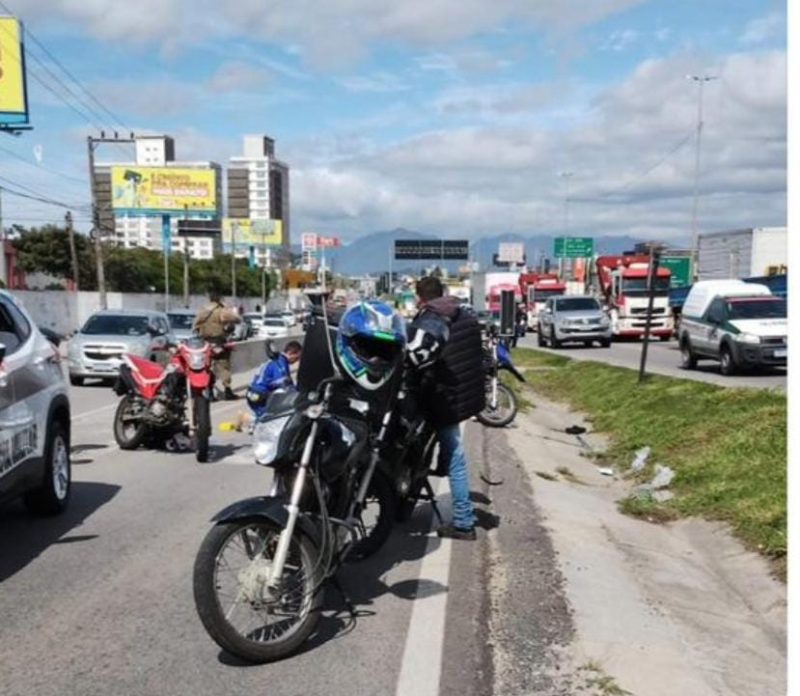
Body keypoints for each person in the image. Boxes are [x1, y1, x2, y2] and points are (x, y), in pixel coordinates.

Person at [407, 276, 486, 540]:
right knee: (447, 448)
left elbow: (417, 356)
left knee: (454, 454)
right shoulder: (463, 314)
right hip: (464, 394)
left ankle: (464, 522)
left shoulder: (430, 320)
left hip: (445, 398)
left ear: (420, 297)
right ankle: (439, 467)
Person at [193, 289, 241, 400]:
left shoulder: (202, 310)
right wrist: (227, 308)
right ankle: (227, 391)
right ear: (219, 299)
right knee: (224, 367)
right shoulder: (221, 311)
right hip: (219, 342)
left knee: (207, 367)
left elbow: (195, 325)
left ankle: (209, 392)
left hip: (205, 343)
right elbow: (237, 319)